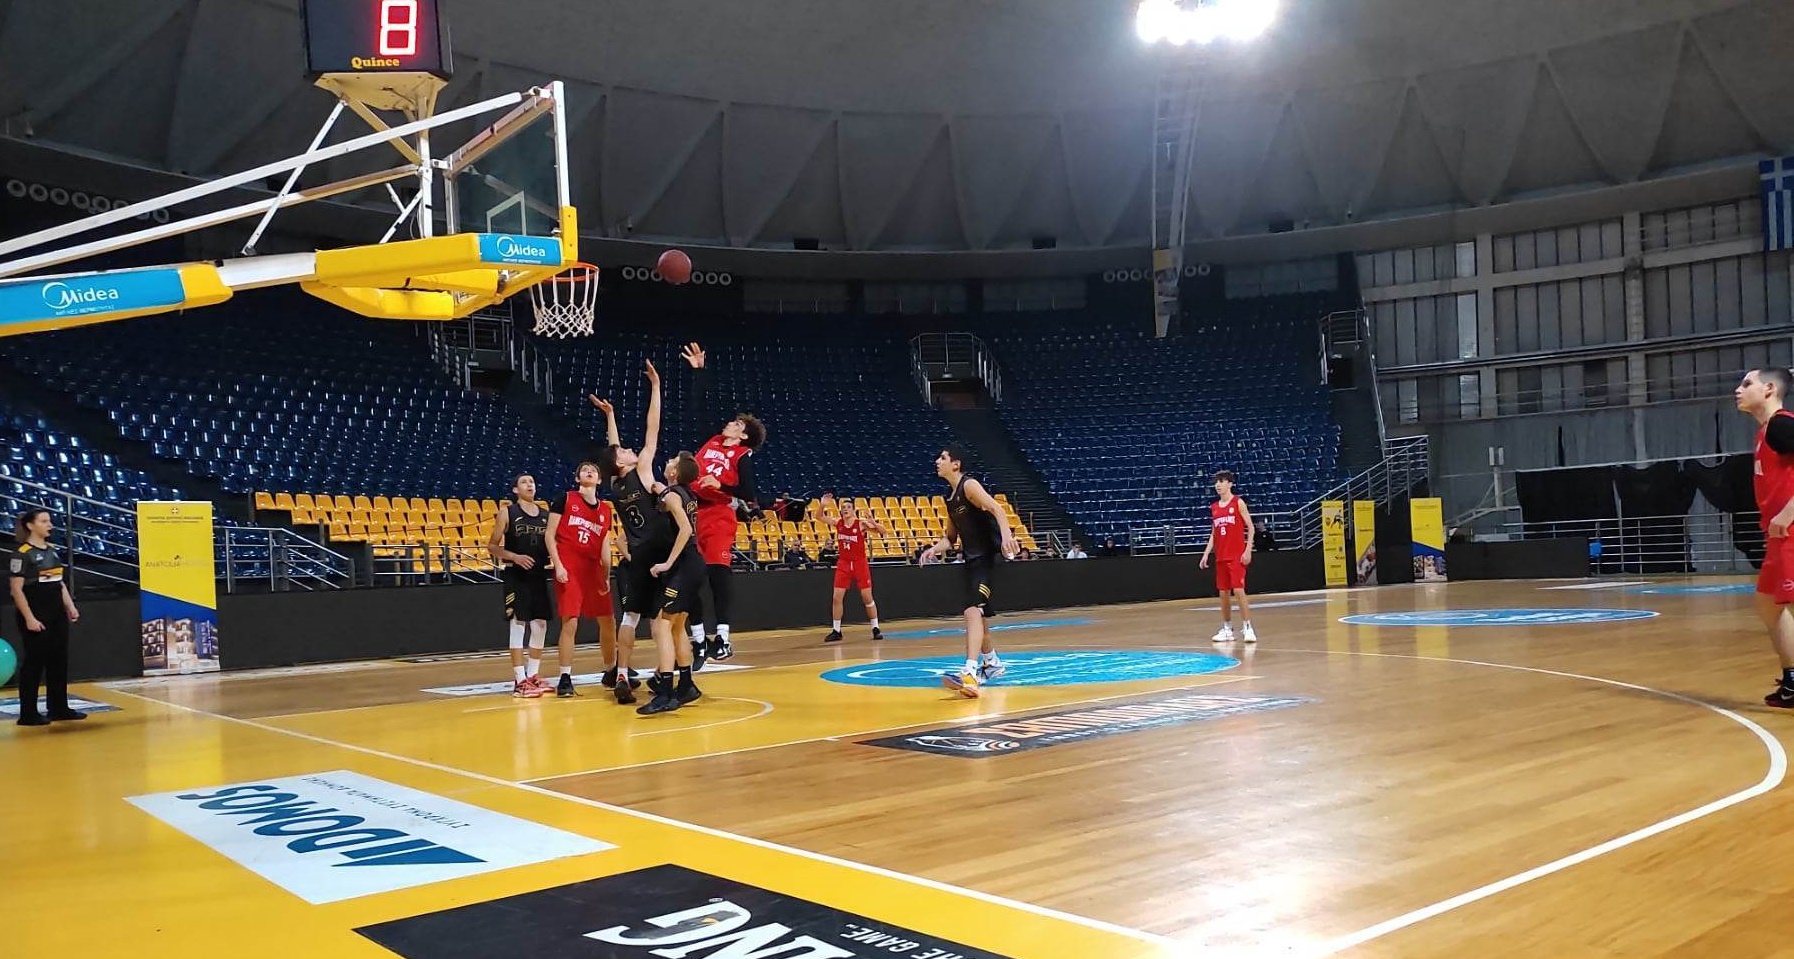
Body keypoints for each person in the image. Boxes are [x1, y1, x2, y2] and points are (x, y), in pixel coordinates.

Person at [588, 359, 673, 706]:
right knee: (662, 619)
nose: (628, 449)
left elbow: (612, 450)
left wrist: (610, 416)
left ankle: (622, 673)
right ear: (623, 463)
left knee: (630, 617)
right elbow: (653, 427)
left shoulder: (615, 484)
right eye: (625, 452)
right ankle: (666, 675)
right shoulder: (642, 469)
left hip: (636, 554)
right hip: (660, 551)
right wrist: (656, 387)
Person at [680, 342, 766, 665]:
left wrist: (722, 484)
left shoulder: (742, 455)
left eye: (737, 424)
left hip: (717, 514)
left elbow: (748, 492)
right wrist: (699, 373)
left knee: (717, 575)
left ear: (743, 435)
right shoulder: (713, 440)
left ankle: (723, 638)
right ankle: (699, 640)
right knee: (689, 577)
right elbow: (700, 407)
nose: (730, 423)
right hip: (692, 512)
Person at [921, 445, 1018, 698]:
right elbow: (950, 538)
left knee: (972, 611)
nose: (937, 461)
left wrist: (1007, 537)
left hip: (988, 558)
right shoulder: (950, 498)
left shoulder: (969, 486)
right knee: (979, 617)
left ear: (956, 464)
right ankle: (992, 664)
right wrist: (934, 549)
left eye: (943, 457)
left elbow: (997, 509)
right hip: (972, 562)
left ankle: (970, 672)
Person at [1735, 367, 1794, 708]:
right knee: (1768, 604)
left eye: (1747, 384)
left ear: (1769, 389)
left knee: (1785, 604)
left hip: (1790, 530)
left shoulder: (1782, 425)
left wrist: (1787, 513)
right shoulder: (1766, 432)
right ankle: (1792, 680)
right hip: (1778, 535)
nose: (1738, 390)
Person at [638, 450, 708, 715]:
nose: (667, 461)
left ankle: (665, 692)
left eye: (672, 462)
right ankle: (687, 685)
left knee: (662, 626)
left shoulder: (672, 495)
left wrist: (668, 563)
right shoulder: (686, 493)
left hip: (684, 564)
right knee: (678, 627)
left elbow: (686, 529)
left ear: (674, 473)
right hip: (693, 565)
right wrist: (661, 491)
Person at [545, 461, 617, 699]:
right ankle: (565, 677)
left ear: (599, 480)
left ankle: (611, 670)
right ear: (578, 478)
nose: (589, 471)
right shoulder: (565, 499)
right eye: (584, 470)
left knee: (608, 620)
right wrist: (558, 564)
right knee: (571, 621)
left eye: (594, 470)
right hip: (569, 563)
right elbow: (549, 535)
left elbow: (605, 545)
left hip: (593, 567)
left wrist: (606, 574)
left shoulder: (605, 509)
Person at [8, 508, 82, 726]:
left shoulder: (52, 551)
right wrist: (29, 618)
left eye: (49, 521)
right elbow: (16, 590)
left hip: (56, 613)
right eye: (44, 521)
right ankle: (28, 713)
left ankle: (58, 708)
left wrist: (70, 606)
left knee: (58, 660)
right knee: (34, 662)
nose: (49, 525)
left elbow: (59, 582)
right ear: (30, 525)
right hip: (36, 614)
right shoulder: (22, 553)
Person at [486, 473, 556, 698]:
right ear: (515, 490)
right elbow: (492, 546)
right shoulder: (508, 512)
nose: (530, 485)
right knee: (518, 624)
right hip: (516, 575)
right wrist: (515, 557)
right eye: (524, 482)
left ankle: (533, 675)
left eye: (532, 482)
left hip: (538, 575)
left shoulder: (546, 515)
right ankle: (519, 680)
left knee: (540, 624)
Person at [1199, 470, 1257, 644]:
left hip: (1236, 555)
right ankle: (1227, 629)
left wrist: (1248, 550)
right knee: (1223, 593)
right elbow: (1214, 533)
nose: (1218, 484)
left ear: (1230, 484)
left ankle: (1248, 627)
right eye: (1216, 481)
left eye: (1222, 481)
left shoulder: (1238, 502)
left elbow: (1251, 527)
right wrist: (1206, 553)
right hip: (1221, 556)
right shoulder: (1214, 507)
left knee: (1238, 590)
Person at [820, 494, 886, 643]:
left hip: (859, 563)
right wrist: (823, 505)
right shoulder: (838, 523)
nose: (845, 509)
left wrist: (873, 522)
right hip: (844, 563)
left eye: (848, 507)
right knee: (836, 597)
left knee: (867, 597)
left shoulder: (861, 524)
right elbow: (819, 517)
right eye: (843, 507)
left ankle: (875, 628)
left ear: (853, 510)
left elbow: (883, 531)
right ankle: (836, 631)